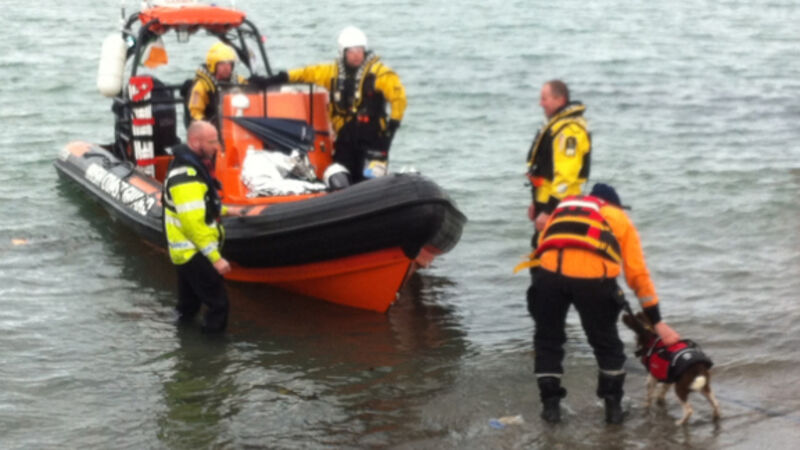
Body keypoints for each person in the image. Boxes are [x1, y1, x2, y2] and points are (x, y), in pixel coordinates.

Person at [526, 183, 681, 424]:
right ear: (615, 205)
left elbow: (542, 244)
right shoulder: (619, 218)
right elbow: (637, 274)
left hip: (548, 278)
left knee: (548, 341)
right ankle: (613, 410)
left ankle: (550, 409)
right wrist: (657, 321)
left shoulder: (564, 208)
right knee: (607, 345)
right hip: (594, 282)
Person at [266, 26, 407, 183]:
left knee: (372, 178)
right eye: (351, 51)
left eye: (359, 50)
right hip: (345, 139)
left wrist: (391, 129)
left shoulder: (380, 74)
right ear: (343, 53)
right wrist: (279, 77)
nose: (356, 55)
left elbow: (399, 98)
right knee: (341, 175)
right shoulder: (331, 73)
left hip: (373, 139)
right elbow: (307, 73)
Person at [162, 121, 241, 333]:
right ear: (196, 142)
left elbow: (201, 206)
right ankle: (211, 351)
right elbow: (193, 224)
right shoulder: (186, 176)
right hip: (193, 251)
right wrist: (216, 258)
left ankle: (181, 340)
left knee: (188, 306)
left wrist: (227, 210)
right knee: (219, 305)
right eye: (212, 142)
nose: (217, 147)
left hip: (185, 252)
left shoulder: (191, 167)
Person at [525, 80, 591, 235]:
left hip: (562, 207)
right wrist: (536, 202)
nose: (541, 104)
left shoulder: (569, 131)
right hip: (548, 203)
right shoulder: (555, 126)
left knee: (555, 248)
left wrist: (548, 211)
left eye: (544, 99)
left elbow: (566, 177)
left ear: (560, 100)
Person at [186, 42, 247, 125]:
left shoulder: (240, 81)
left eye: (229, 63)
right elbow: (195, 113)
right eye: (222, 64)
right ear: (213, 65)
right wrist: (208, 125)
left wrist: (256, 84)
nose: (226, 67)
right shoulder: (202, 86)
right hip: (212, 127)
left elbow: (251, 96)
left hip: (237, 124)